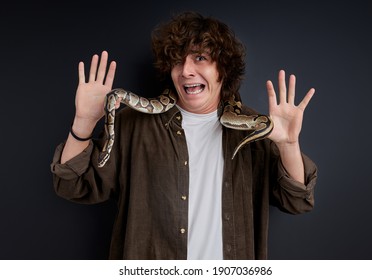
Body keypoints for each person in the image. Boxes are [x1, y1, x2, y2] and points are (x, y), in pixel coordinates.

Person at [50, 11, 317, 260]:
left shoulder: (254, 130)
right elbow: (72, 185)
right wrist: (84, 122)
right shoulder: (133, 125)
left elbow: (296, 201)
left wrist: (289, 145)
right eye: (177, 60)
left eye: (199, 58)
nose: (186, 70)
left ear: (223, 68)